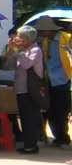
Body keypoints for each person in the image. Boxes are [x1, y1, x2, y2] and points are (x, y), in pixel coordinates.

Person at [11, 25, 45, 155]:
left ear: (27, 38)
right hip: (21, 90)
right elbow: (9, 64)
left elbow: (26, 64)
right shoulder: (23, 51)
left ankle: (31, 146)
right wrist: (13, 50)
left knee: (29, 118)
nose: (17, 39)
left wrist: (17, 51)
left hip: (30, 90)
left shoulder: (35, 50)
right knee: (25, 118)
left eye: (20, 37)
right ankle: (28, 144)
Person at [40, 23, 71, 147]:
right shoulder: (46, 41)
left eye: (43, 30)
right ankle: (58, 137)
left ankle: (63, 137)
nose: (41, 32)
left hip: (63, 80)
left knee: (61, 111)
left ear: (50, 29)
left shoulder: (66, 38)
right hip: (50, 80)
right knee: (51, 110)